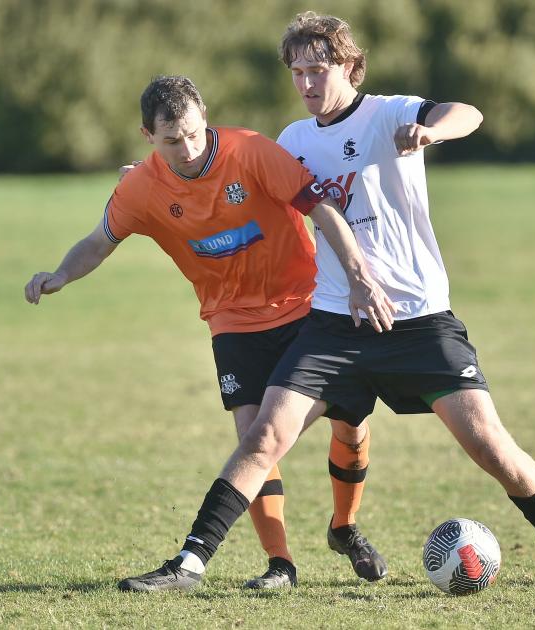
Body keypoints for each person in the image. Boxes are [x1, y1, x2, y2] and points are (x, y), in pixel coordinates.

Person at [117, 15, 535, 592]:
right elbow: (232, 182)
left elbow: (468, 113)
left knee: (490, 446)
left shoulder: (390, 112)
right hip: (334, 323)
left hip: (419, 320)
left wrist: (434, 133)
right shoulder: (293, 141)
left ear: (350, 67)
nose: (306, 82)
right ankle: (190, 564)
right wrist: (158, 175)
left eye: (318, 69)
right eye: (297, 72)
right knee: (263, 437)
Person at [24, 75, 394, 590]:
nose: (188, 149)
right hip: (232, 322)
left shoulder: (251, 152)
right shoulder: (141, 187)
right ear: (147, 136)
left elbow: (319, 207)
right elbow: (98, 241)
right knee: (254, 439)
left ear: (205, 116)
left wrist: (357, 279)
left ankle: (345, 526)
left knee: (350, 424)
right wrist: (61, 274)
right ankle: (280, 564)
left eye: (195, 134)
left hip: (307, 307)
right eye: (171, 140)